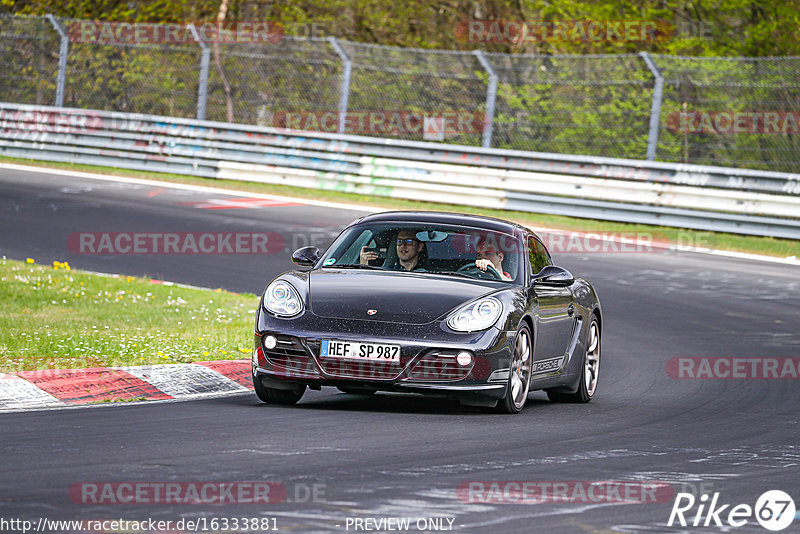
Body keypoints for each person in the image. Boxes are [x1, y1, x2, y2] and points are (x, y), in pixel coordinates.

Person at [360, 229, 428, 271]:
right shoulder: (385, 271)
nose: (402, 245)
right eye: (399, 241)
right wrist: (363, 268)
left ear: (420, 247)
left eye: (408, 241)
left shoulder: (428, 274)